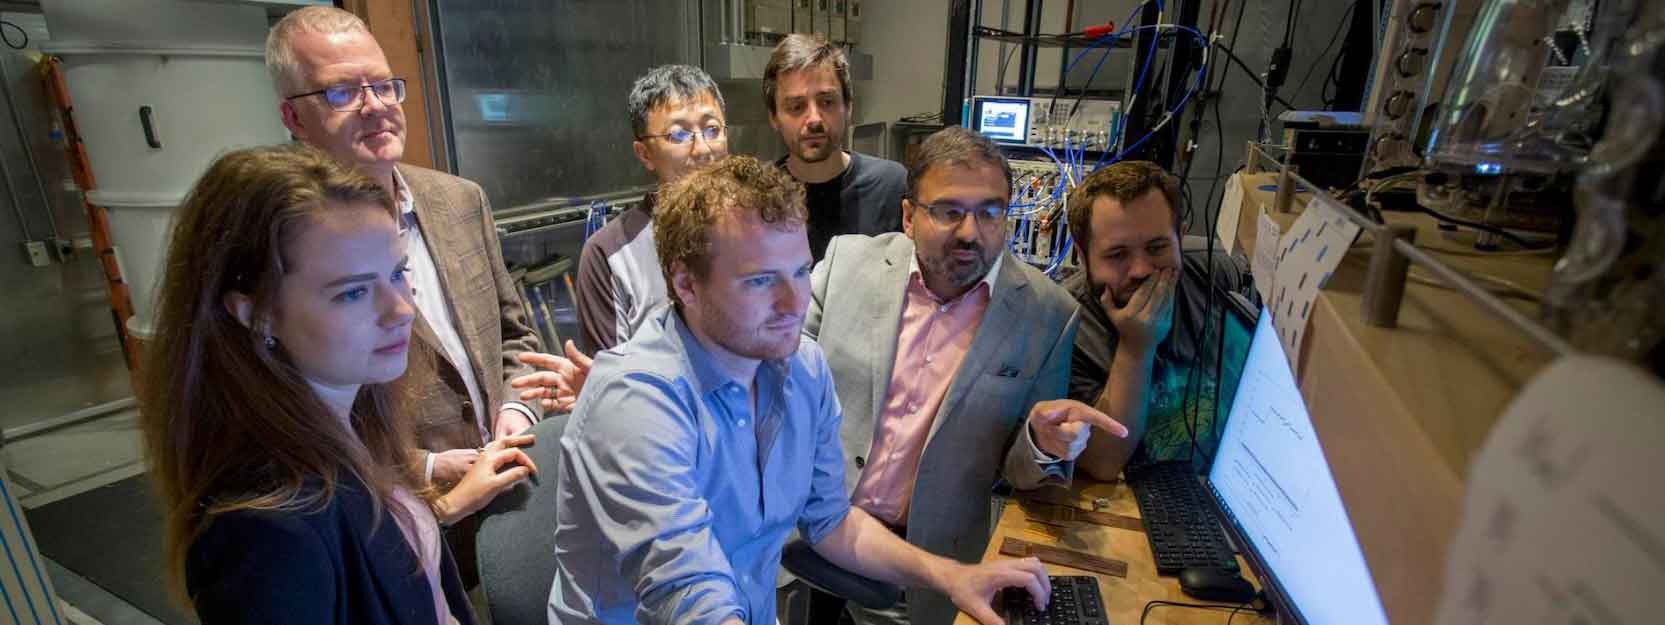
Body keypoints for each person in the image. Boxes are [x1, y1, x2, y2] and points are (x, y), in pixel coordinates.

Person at [546, 155, 1054, 625]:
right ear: (685, 283)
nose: (795, 302)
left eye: (800, 270)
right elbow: (687, 588)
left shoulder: (800, 367)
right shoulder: (638, 401)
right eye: (761, 280)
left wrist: (949, 576)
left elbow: (830, 519)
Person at [138, 144, 536, 625]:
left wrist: (445, 507)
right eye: (352, 292)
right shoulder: (265, 531)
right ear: (256, 313)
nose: (402, 310)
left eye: (397, 274)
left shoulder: (356, 424)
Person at [800, 126, 1127, 625]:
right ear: (910, 216)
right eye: (949, 211)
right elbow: (784, 385)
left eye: (990, 212)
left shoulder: (1046, 315)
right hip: (806, 538)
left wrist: (1042, 444)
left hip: (924, 567)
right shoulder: (847, 263)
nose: (971, 232)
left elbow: (1019, 475)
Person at [265, 6, 543, 584]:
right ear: (293, 115)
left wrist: (516, 408)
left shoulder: (460, 200)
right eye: (343, 91)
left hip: (512, 489)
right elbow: (288, 408)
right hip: (389, 520)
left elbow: (515, 337)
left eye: (383, 84)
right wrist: (432, 469)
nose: (376, 105)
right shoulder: (281, 239)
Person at [1062, 161, 1253, 480]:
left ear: (1180, 236)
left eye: (1157, 247)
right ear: (1083, 255)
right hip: (1128, 501)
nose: (1141, 270)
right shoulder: (1065, 323)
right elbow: (1104, 461)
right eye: (1117, 254)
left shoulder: (1219, 273)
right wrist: (1136, 346)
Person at [570, 64, 731, 357]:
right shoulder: (610, 253)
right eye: (679, 135)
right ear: (645, 154)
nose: (703, 149)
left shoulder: (757, 228)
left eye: (712, 130)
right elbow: (613, 382)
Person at [765, 33, 906, 261]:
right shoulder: (758, 197)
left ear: (848, 106)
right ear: (773, 117)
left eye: (826, 102)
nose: (814, 119)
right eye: (796, 106)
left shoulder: (891, 187)